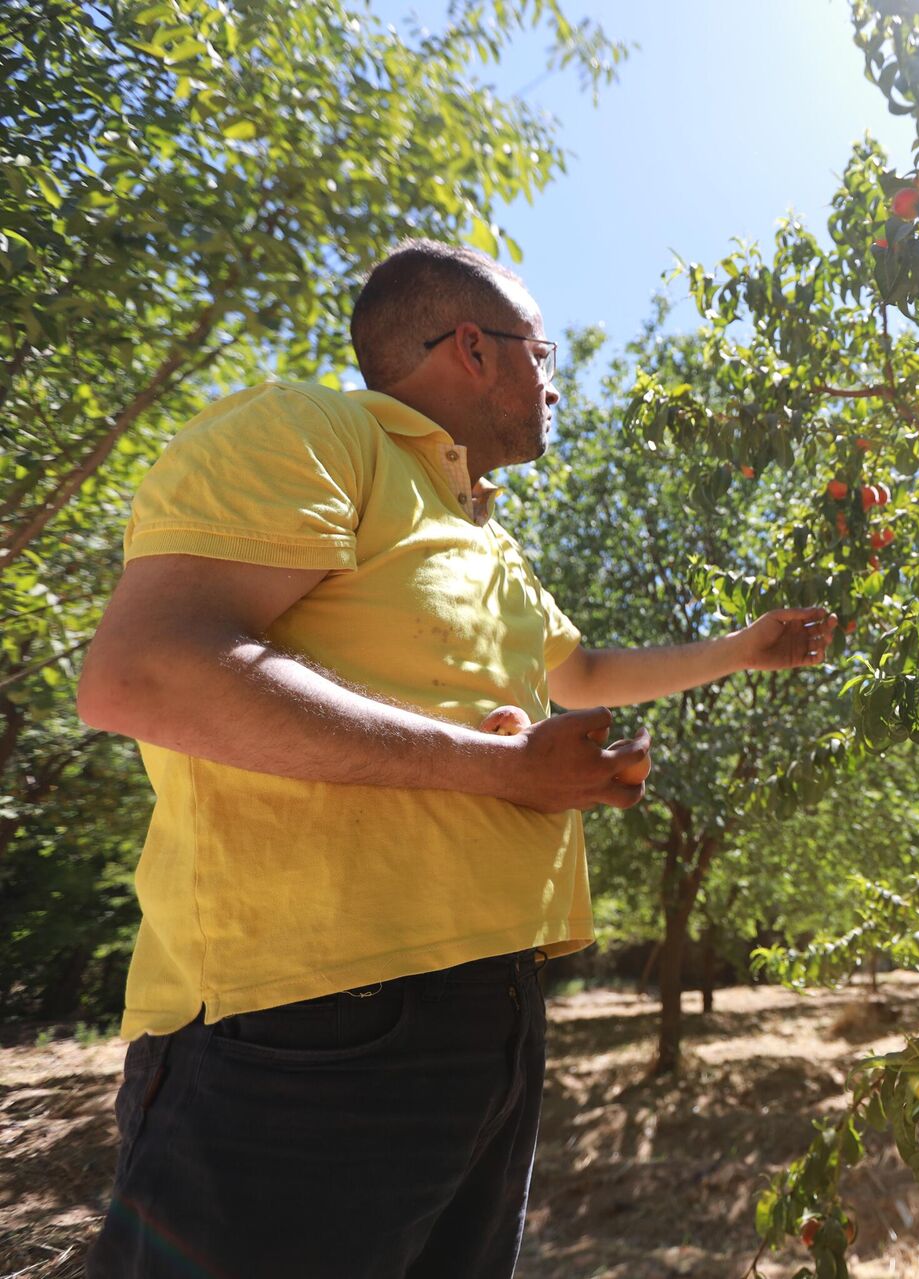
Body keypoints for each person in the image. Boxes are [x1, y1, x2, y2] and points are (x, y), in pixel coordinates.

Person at [75, 239, 836, 1277]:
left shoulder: (488, 541)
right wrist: (501, 771)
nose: (554, 385)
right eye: (542, 354)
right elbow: (147, 671)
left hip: (495, 1015)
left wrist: (743, 649)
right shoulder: (314, 432)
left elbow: (585, 671)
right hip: (301, 1032)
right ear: (473, 349)